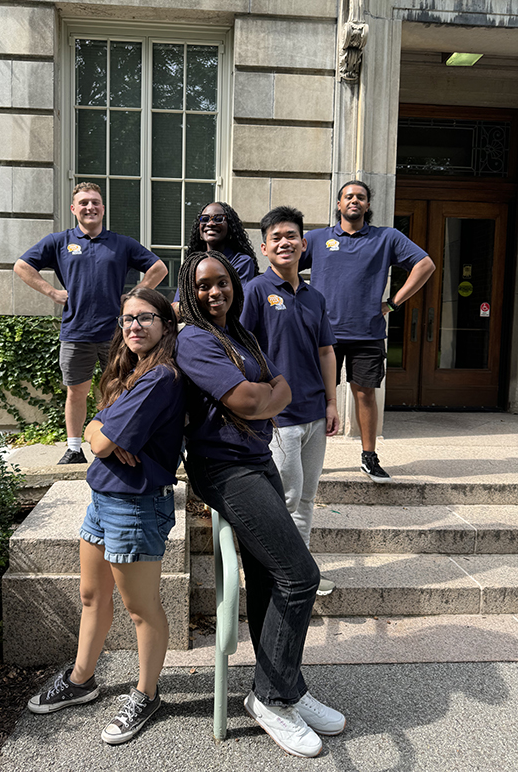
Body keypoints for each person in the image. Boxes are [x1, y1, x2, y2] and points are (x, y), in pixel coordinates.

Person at [175, 251, 345, 758]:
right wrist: (265, 396)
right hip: (226, 469)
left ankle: (286, 687)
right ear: (190, 289)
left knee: (271, 576)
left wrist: (265, 395)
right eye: (204, 285)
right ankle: (269, 698)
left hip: (257, 458)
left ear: (235, 286)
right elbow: (253, 401)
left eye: (223, 283)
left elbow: (282, 387)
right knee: (301, 575)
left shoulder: (241, 335)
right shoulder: (194, 339)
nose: (215, 293)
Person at [27, 287, 185, 746]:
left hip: (136, 504)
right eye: (127, 319)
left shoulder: (161, 378)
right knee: (92, 595)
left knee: (141, 608)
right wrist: (104, 430)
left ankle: (146, 693)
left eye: (146, 318)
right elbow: (99, 429)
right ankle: (82, 680)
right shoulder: (133, 370)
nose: (134, 326)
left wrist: (102, 433)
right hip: (104, 496)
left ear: (165, 325)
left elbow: (95, 442)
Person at [14, 182, 167, 464]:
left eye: (95, 202)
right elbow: (22, 266)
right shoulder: (59, 242)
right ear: (74, 209)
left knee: (125, 386)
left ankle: (122, 439)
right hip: (76, 333)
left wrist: (135, 295)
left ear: (103, 209)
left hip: (116, 334)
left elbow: (159, 267)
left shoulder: (120, 243)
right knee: (77, 391)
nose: (90, 207)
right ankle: (74, 448)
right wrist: (51, 291)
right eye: (83, 202)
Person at [300, 180, 435, 482]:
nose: (354, 201)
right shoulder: (319, 238)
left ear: (368, 205)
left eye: (360, 197)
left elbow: (425, 265)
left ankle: (369, 458)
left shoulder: (386, 238)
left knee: (365, 395)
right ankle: (311, 459)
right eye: (348, 196)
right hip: (324, 335)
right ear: (338, 204)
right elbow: (286, 264)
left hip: (367, 332)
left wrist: (394, 303)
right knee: (317, 396)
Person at [240, 207, 339, 594]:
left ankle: (301, 572)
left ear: (303, 243)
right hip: (278, 419)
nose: (285, 242)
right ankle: (278, 575)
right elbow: (242, 352)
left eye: (292, 236)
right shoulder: (254, 292)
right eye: (276, 237)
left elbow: (326, 352)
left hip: (315, 413)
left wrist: (332, 403)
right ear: (265, 247)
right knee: (287, 496)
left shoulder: (315, 297)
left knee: (308, 498)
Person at [172, 201, 258, 313]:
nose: (211, 223)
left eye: (218, 219)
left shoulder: (241, 262)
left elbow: (233, 304)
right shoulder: (192, 264)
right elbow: (176, 307)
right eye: (205, 219)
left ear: (230, 227)